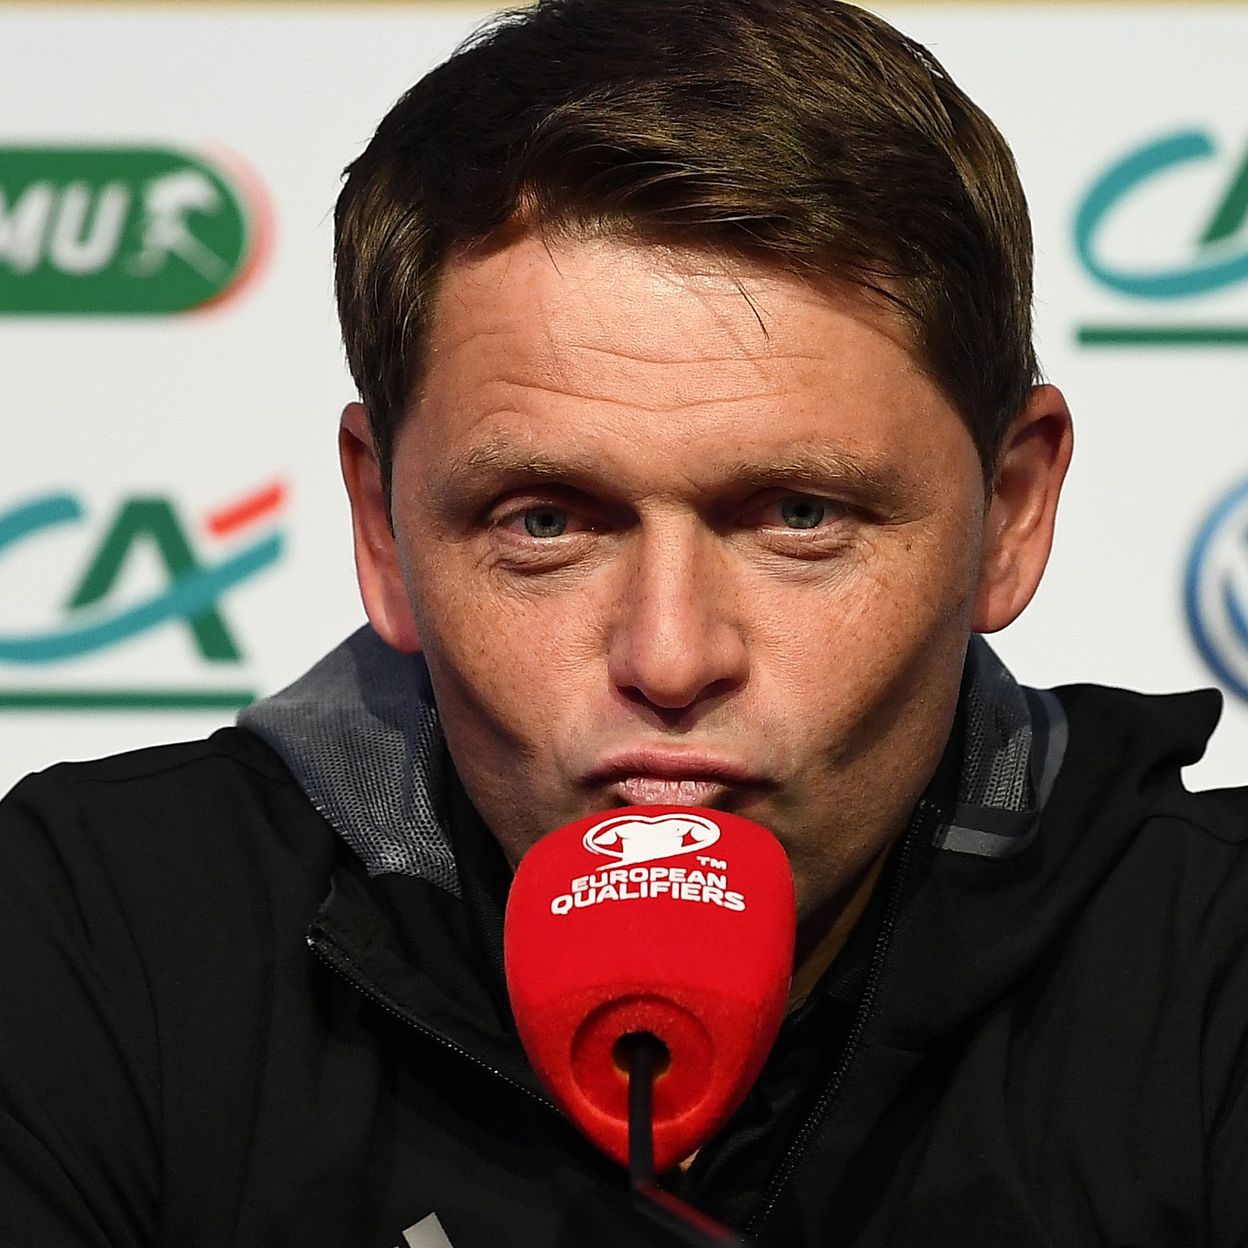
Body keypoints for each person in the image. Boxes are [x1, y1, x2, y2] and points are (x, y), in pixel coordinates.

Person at [2, 1, 1245, 1245]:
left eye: (799, 515)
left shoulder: (1213, 960)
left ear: (1010, 513)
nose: (669, 659)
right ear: (382, 528)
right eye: (545, 522)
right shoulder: (99, 937)